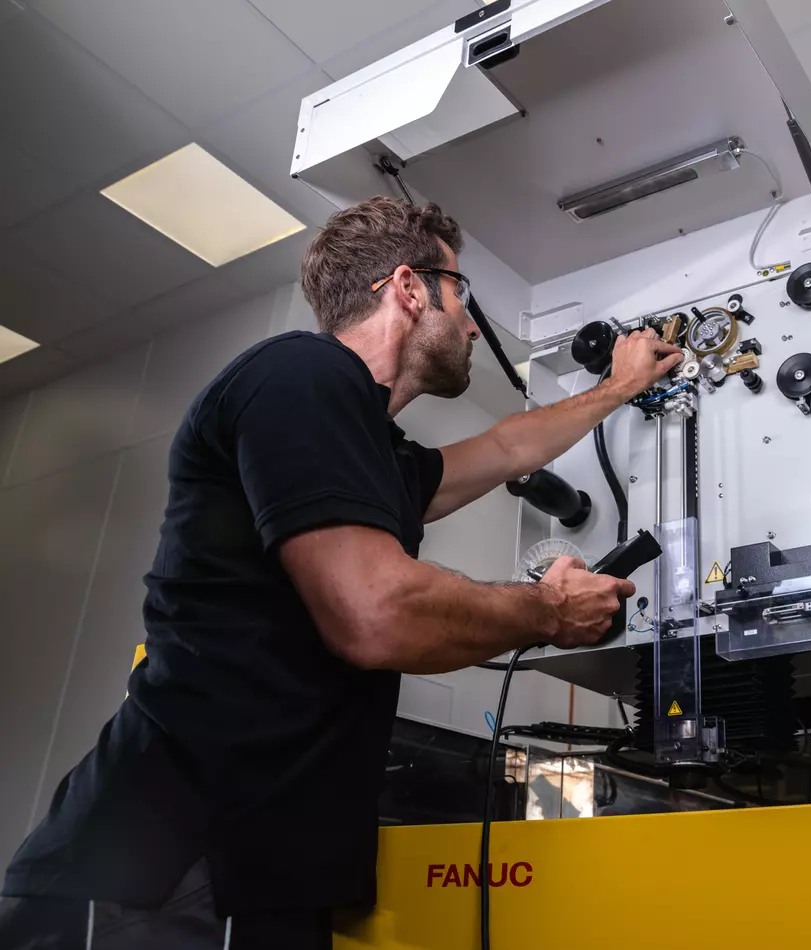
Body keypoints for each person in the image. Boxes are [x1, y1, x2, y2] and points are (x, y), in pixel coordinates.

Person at [0, 196, 683, 948]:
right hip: (165, 872)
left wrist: (618, 389)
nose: (468, 324)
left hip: (252, 874)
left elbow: (503, 450)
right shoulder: (299, 374)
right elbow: (376, 612)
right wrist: (549, 611)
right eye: (460, 295)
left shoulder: (370, 447)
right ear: (409, 288)